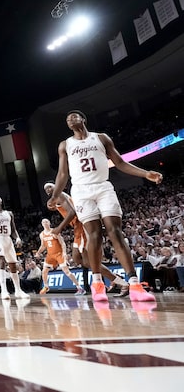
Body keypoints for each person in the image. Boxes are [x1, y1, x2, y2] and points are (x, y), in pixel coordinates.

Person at [48, 110, 162, 303]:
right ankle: (97, 283)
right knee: (95, 235)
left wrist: (145, 174)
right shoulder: (65, 145)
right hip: (81, 191)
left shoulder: (101, 138)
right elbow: (62, 173)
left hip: (103, 187)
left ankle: (134, 283)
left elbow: (119, 162)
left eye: (74, 117)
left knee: (115, 231)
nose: (70, 120)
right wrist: (56, 194)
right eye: (67, 119)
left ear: (83, 119)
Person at [43, 181, 129, 296]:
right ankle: (116, 279)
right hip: (77, 228)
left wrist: (59, 228)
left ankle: (120, 282)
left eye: (50, 186)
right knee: (77, 259)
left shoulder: (59, 195)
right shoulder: (58, 197)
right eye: (46, 189)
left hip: (81, 225)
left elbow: (72, 212)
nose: (48, 189)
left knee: (88, 261)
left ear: (55, 186)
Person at [35, 218, 85, 295]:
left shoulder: (54, 232)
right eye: (43, 222)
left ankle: (79, 288)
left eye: (46, 221)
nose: (45, 223)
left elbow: (62, 243)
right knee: (44, 271)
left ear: (49, 223)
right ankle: (46, 286)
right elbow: (43, 245)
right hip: (50, 255)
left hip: (59, 254)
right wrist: (38, 252)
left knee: (66, 271)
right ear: (42, 224)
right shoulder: (41, 234)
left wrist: (64, 253)